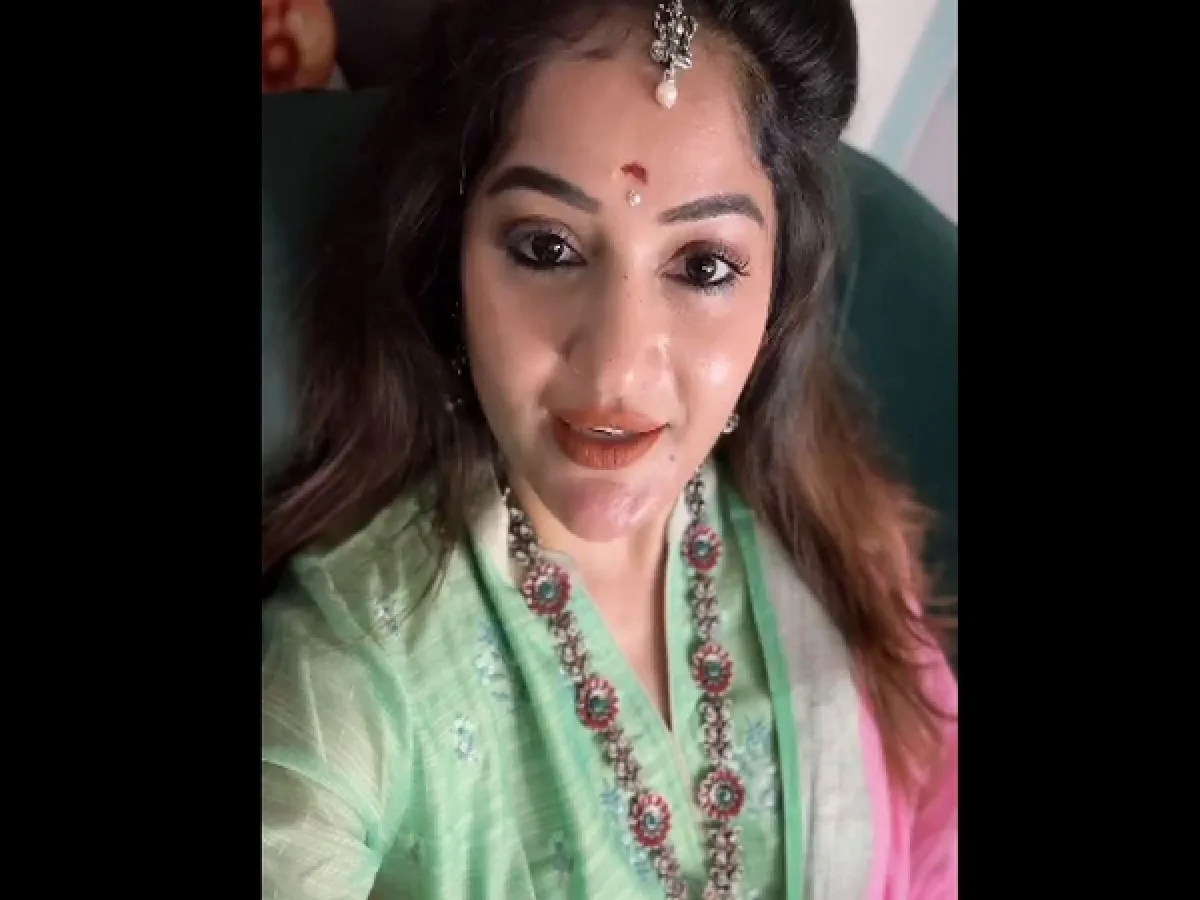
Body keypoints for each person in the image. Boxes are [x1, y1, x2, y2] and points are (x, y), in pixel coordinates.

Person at [260, 0, 958, 897]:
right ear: (450, 255)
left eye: (703, 266)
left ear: (778, 296)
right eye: (547, 247)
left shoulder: (839, 535)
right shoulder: (354, 670)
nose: (618, 367)